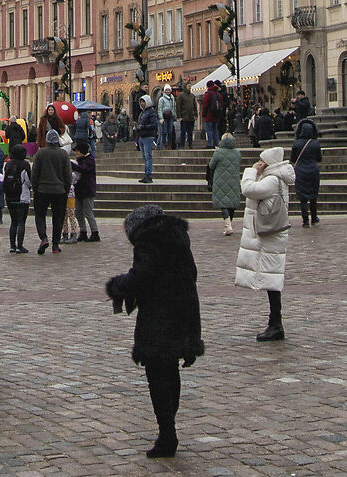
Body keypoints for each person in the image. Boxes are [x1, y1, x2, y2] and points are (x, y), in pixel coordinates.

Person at [105, 204, 203, 458]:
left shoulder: (148, 240)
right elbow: (190, 272)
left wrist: (118, 286)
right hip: (184, 306)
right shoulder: (178, 235)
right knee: (169, 367)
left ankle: (167, 432)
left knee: (157, 370)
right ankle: (168, 428)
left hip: (160, 313)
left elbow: (143, 275)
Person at [236, 146, 294, 342]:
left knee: (272, 280)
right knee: (271, 279)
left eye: (262, 160)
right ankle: (275, 322)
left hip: (269, 235)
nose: (259, 163)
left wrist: (251, 171)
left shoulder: (271, 180)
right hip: (271, 233)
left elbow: (248, 189)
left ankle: (276, 324)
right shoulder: (275, 178)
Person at [30, 131, 72, 255]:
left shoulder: (40, 153)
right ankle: (55, 245)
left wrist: (35, 187)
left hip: (42, 190)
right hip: (60, 191)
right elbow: (68, 175)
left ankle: (43, 238)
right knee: (58, 218)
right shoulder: (63, 154)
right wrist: (66, 189)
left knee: (40, 216)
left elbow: (35, 173)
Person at [206, 133, 245, 236]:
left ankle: (228, 226)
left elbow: (211, 165)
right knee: (231, 204)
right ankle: (229, 225)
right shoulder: (237, 153)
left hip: (220, 180)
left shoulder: (218, 153)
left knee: (223, 203)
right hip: (234, 180)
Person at [291, 117, 323, 226]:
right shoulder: (315, 143)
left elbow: (293, 159)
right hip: (313, 171)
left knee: (303, 197)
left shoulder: (296, 144)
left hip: (300, 171)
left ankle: (305, 221)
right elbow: (319, 158)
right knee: (313, 196)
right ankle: (314, 218)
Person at [3, 143, 33, 254]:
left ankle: (12, 246)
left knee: (13, 222)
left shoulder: (8, 164)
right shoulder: (25, 164)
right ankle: (20, 246)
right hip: (22, 196)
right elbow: (29, 181)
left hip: (10, 196)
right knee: (21, 222)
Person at [72, 142, 100, 242]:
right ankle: (83, 231)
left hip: (87, 190)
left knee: (88, 212)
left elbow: (84, 170)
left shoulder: (89, 160)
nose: (76, 153)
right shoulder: (80, 160)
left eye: (78, 151)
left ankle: (95, 232)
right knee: (78, 212)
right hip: (79, 190)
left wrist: (72, 165)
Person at [134, 94, 160, 184]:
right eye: (141, 102)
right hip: (141, 136)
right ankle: (146, 174)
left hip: (148, 137)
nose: (142, 104)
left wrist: (143, 127)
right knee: (145, 157)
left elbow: (154, 125)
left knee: (148, 156)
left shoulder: (151, 112)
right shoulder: (142, 113)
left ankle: (148, 175)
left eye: (143, 102)